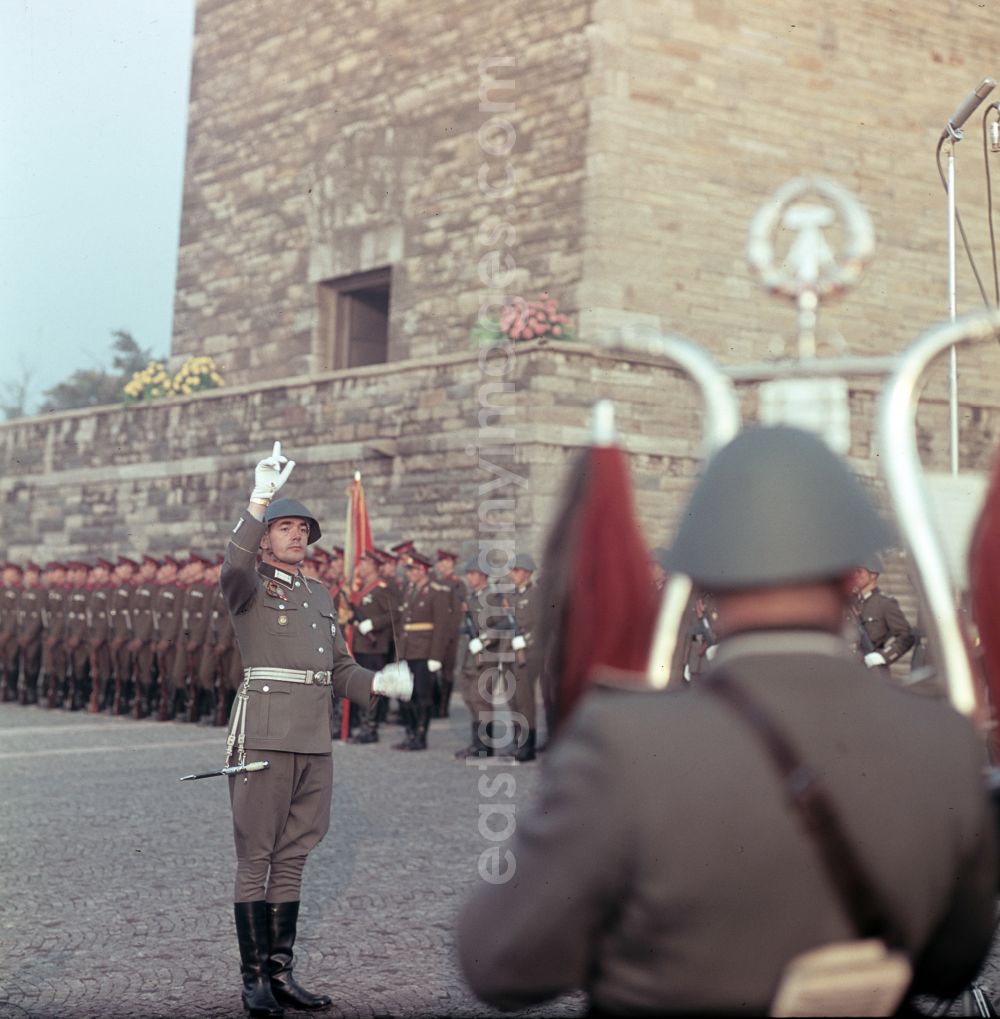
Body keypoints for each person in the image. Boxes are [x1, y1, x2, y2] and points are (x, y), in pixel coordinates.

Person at [458, 425, 997, 1015]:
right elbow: (954, 963)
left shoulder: (626, 742)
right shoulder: (944, 742)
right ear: (850, 577)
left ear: (707, 581)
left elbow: (502, 964)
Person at [220, 441, 412, 1018]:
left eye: (303, 529)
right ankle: (254, 979)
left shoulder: (320, 595)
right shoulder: (249, 587)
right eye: (284, 528)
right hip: (264, 737)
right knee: (257, 856)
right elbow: (232, 562)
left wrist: (379, 685)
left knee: (296, 855)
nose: (296, 536)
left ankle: (282, 975)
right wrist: (260, 499)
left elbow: (339, 669)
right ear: (267, 537)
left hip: (312, 740)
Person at [850, 554, 916, 677]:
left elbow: (906, 636)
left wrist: (882, 656)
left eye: (860, 572)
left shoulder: (885, 603)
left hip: (872, 672)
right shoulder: (851, 602)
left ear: (873, 574)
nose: (855, 576)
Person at [506, 552, 540, 762]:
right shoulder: (511, 596)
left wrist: (525, 641)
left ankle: (528, 747)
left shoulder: (536, 595)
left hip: (527, 654)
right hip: (510, 651)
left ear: (527, 573)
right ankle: (518, 739)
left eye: (516, 570)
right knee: (513, 700)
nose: (512, 574)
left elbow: (542, 625)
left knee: (525, 701)